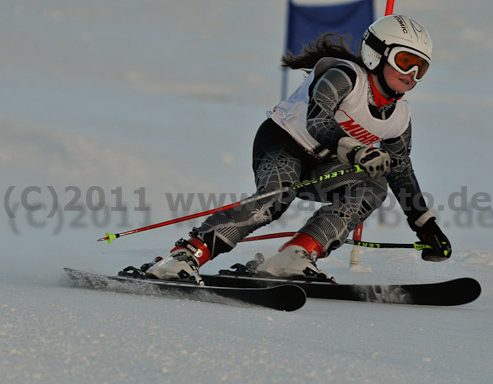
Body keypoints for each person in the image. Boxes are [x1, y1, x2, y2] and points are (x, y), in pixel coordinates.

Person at [142, 14, 452, 283]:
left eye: (420, 68)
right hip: (283, 144)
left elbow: (401, 171)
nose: (411, 75)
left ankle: (296, 254)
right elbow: (318, 119)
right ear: (377, 54)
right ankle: (185, 256)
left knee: (375, 185)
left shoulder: (400, 116)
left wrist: (425, 226)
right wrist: (358, 152)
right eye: (405, 62)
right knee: (275, 200)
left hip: (323, 164)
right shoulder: (344, 77)